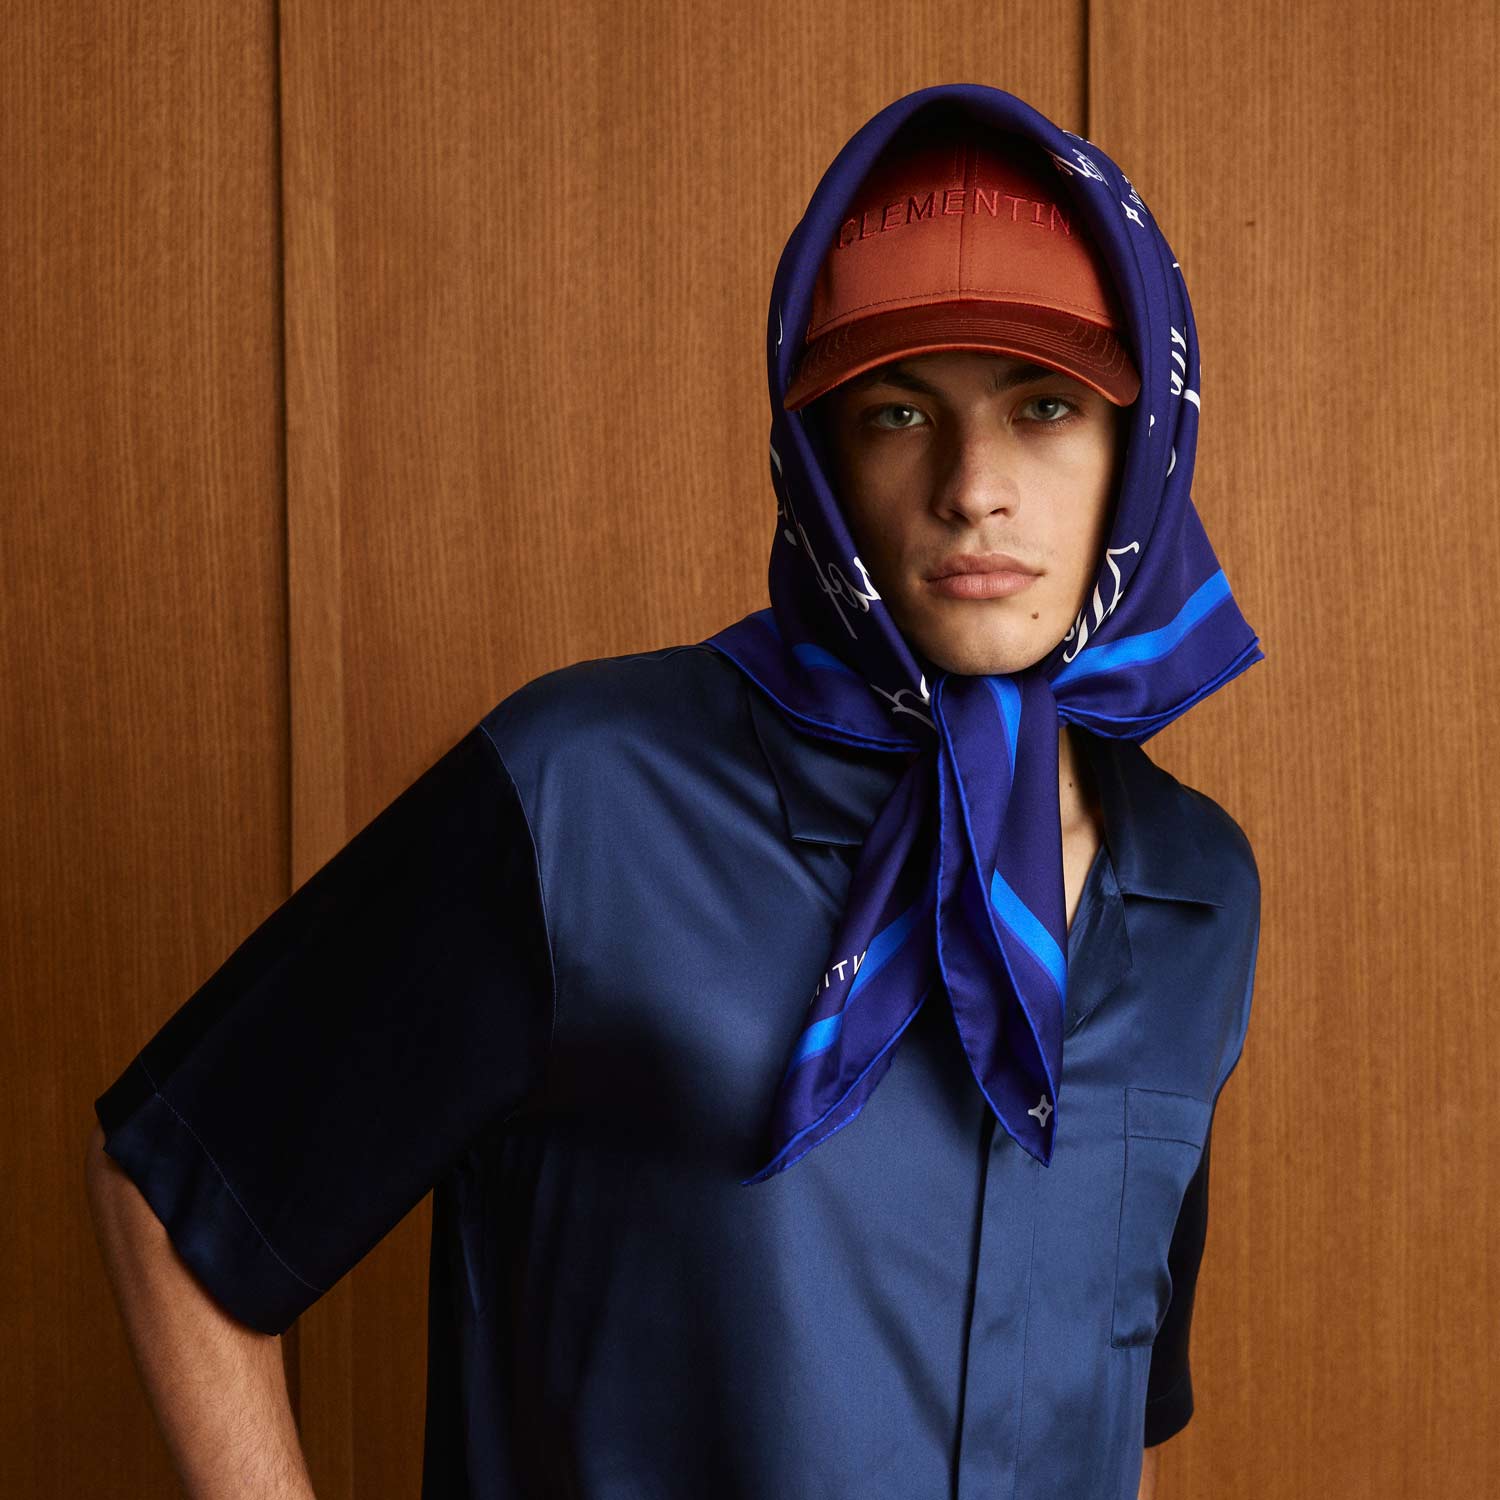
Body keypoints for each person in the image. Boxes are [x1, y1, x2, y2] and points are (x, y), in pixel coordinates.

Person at [86, 81, 1264, 1500]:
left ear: (1143, 446)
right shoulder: (582, 801)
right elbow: (181, 1193)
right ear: (818, 455)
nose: (973, 488)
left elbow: (1117, 1414)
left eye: (1046, 406)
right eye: (897, 411)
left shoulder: (1199, 893)